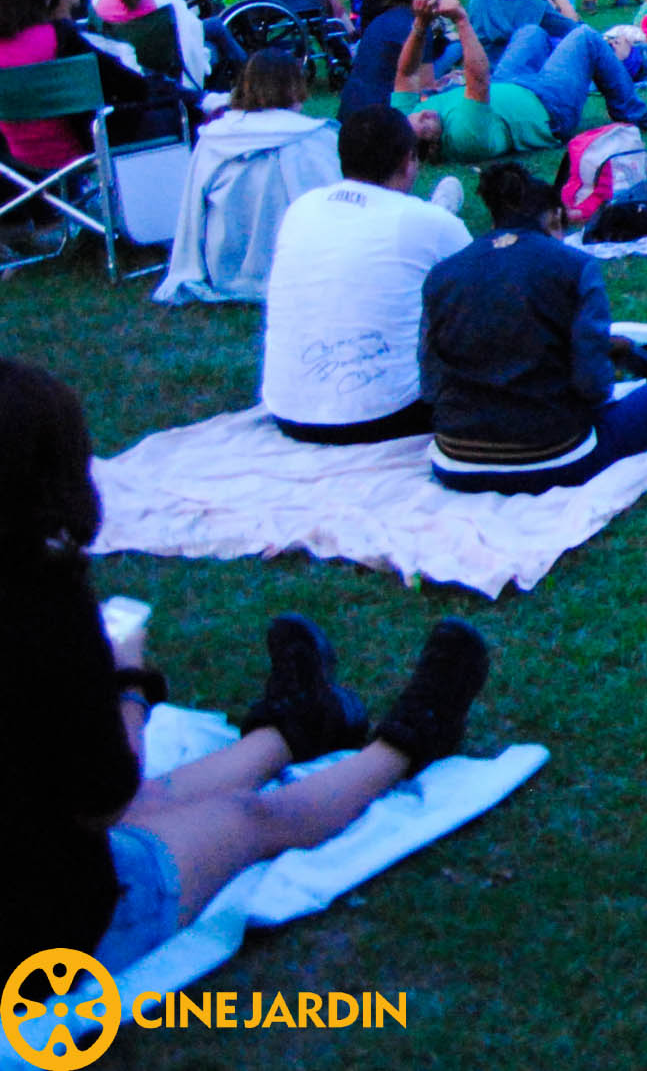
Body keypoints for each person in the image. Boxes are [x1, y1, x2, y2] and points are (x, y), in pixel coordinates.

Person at [5, 356, 491, 976]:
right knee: (251, 819)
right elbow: (104, 797)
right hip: (44, 934)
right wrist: (127, 678)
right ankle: (406, 745)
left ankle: (293, 729)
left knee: (146, 805)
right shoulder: (37, 598)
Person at [421, 161, 647, 491]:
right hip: (552, 456)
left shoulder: (443, 274)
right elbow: (593, 387)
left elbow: (430, 383)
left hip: (456, 459)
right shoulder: (574, 266)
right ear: (554, 217)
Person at [260, 106, 471, 442]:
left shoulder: (301, 209)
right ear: (407, 160)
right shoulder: (429, 224)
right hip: (388, 416)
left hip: (287, 411)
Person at [154, 51, 343, 304]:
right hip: (300, 272)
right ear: (295, 86)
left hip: (225, 269)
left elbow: (192, 211)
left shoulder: (215, 138)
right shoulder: (317, 138)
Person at [393, 0, 647, 166]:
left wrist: (420, 24)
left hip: (509, 83)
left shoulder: (404, 120)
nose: (424, 113)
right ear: (428, 148)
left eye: (417, 115)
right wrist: (461, 21)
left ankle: (568, 63)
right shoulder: (465, 138)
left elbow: (405, 74)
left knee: (530, 32)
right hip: (549, 105)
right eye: (423, 124)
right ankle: (635, 117)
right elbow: (478, 79)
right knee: (586, 38)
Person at [0, 0, 176, 176]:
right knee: (172, 114)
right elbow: (132, 88)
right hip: (76, 164)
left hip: (15, 174)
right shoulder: (59, 38)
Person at [340, 0, 451, 117]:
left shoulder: (381, 19)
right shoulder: (417, 28)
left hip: (352, 106)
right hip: (384, 112)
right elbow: (426, 88)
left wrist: (444, 79)